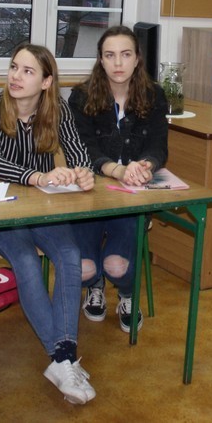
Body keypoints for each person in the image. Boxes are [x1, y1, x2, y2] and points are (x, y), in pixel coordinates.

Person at [0, 44, 97, 405]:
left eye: (27, 71)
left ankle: (63, 358)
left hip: (41, 205)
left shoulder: (57, 111)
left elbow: (78, 153)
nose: (15, 76)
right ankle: (63, 358)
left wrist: (82, 172)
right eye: (14, 67)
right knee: (26, 260)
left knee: (70, 254)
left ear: (46, 82)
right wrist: (38, 176)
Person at [68, 25, 169, 333]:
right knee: (85, 270)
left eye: (125, 55)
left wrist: (145, 165)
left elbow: (158, 146)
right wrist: (117, 170)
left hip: (131, 196)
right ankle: (94, 286)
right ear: (100, 60)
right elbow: (82, 149)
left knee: (117, 265)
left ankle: (127, 294)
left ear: (137, 59)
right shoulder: (81, 96)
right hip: (90, 193)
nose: (118, 63)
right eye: (109, 55)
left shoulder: (154, 96)